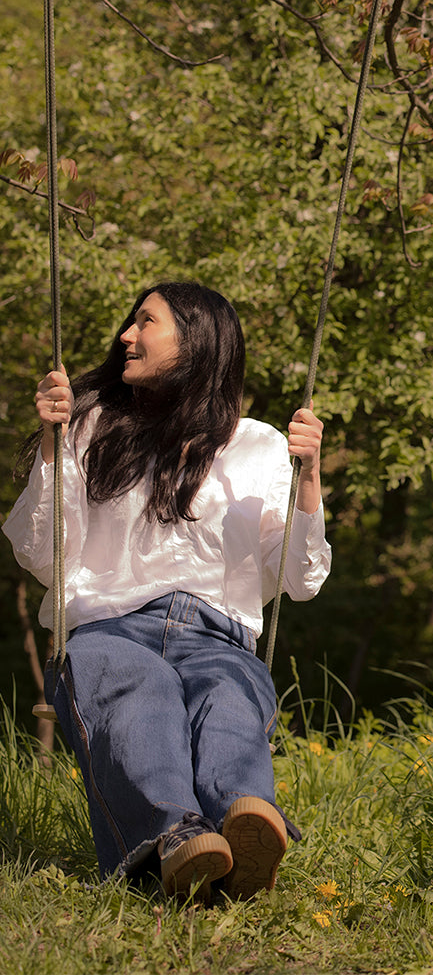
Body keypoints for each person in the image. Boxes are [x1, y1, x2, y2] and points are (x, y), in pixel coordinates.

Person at [3, 282, 332, 900]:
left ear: (196, 340)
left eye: (145, 322)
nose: (126, 335)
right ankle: (179, 837)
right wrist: (51, 445)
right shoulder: (92, 425)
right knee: (139, 690)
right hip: (109, 627)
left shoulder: (258, 444)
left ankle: (243, 820)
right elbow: (41, 551)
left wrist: (308, 478)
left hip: (218, 634)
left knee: (229, 697)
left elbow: (300, 579)